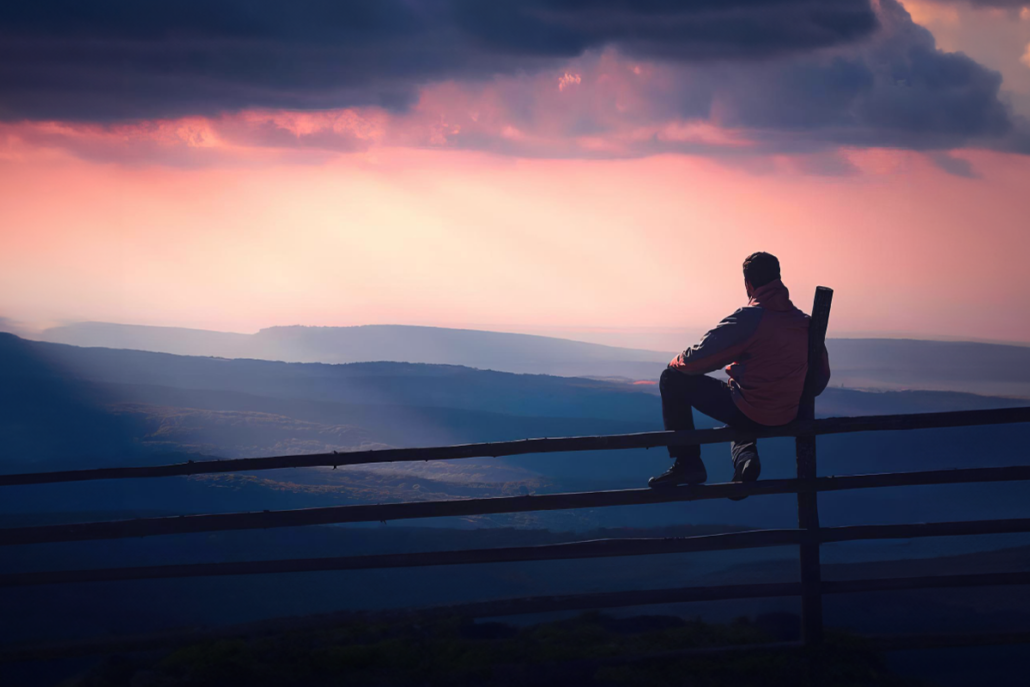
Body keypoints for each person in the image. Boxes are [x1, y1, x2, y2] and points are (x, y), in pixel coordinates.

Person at [649, 252, 830, 489]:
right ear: (778, 279)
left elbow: (699, 358)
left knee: (671, 379)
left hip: (750, 410)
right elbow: (820, 377)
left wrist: (675, 363)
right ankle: (745, 459)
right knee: (742, 402)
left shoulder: (750, 319)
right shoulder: (803, 322)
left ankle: (688, 463)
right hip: (788, 413)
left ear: (749, 284)